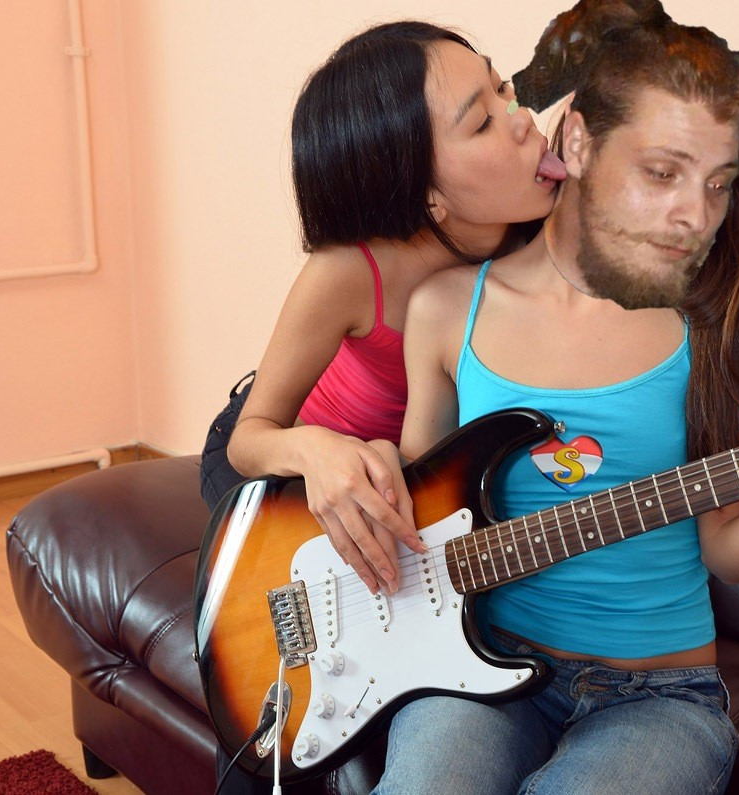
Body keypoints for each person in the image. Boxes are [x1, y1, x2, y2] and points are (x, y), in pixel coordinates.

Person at [369, 12, 739, 794]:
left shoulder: (708, 326)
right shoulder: (448, 308)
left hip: (657, 699)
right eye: (661, 172)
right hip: (476, 665)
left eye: (715, 184)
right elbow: (421, 508)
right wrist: (357, 467)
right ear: (578, 140)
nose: (692, 212)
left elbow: (726, 548)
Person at [199, 20, 566, 794]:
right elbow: (253, 434)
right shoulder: (349, 270)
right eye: (482, 119)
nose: (521, 115)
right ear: (425, 190)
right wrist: (317, 450)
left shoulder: (548, 240)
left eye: (502, 85)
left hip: (408, 488)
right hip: (283, 468)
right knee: (272, 680)